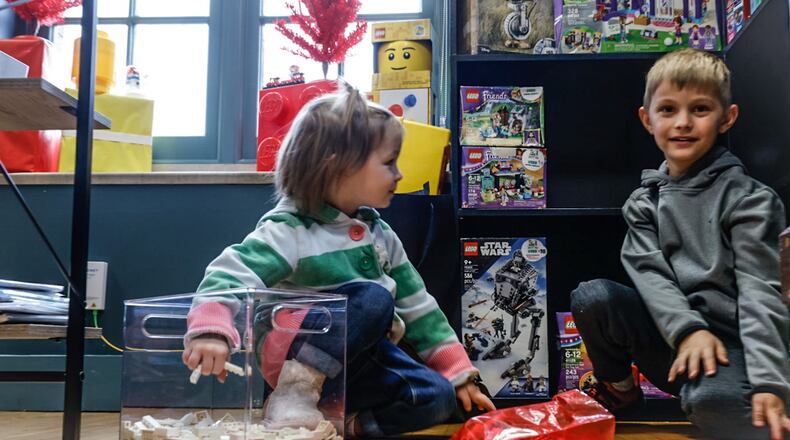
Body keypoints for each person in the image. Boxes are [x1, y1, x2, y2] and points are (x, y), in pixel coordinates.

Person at [181, 82, 495, 437]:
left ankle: (335, 424)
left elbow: (420, 308)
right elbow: (229, 273)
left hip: (362, 362)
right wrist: (211, 331)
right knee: (373, 298)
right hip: (293, 357)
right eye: (389, 163)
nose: (399, 174)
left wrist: (459, 374)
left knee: (437, 398)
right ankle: (295, 393)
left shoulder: (380, 234)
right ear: (339, 167)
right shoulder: (291, 230)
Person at [570, 49, 790, 440]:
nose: (683, 123)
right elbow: (651, 277)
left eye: (700, 109)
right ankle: (621, 392)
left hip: (733, 350)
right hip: (675, 343)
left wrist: (771, 384)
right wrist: (688, 330)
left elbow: (760, 294)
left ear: (727, 118)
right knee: (592, 297)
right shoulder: (644, 203)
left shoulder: (751, 200)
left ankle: (729, 395)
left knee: (719, 408)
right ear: (647, 120)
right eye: (668, 110)